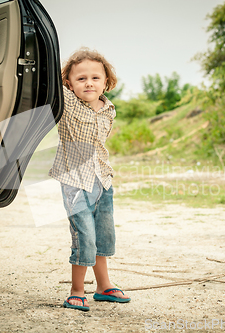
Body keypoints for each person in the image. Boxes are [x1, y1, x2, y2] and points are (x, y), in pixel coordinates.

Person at [48, 48, 131, 311]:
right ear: (68, 84)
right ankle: (76, 290)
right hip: (75, 179)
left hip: (102, 178)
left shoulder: (109, 110)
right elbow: (53, 84)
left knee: (103, 234)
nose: (89, 83)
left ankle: (104, 286)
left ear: (106, 82)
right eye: (81, 78)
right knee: (84, 234)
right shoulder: (68, 104)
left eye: (96, 78)